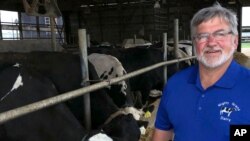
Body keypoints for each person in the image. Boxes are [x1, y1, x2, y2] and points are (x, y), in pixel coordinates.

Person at [152, 4, 250, 141]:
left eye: (220, 34)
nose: (211, 43)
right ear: (194, 43)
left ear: (235, 41)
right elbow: (161, 135)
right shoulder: (175, 85)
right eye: (202, 36)